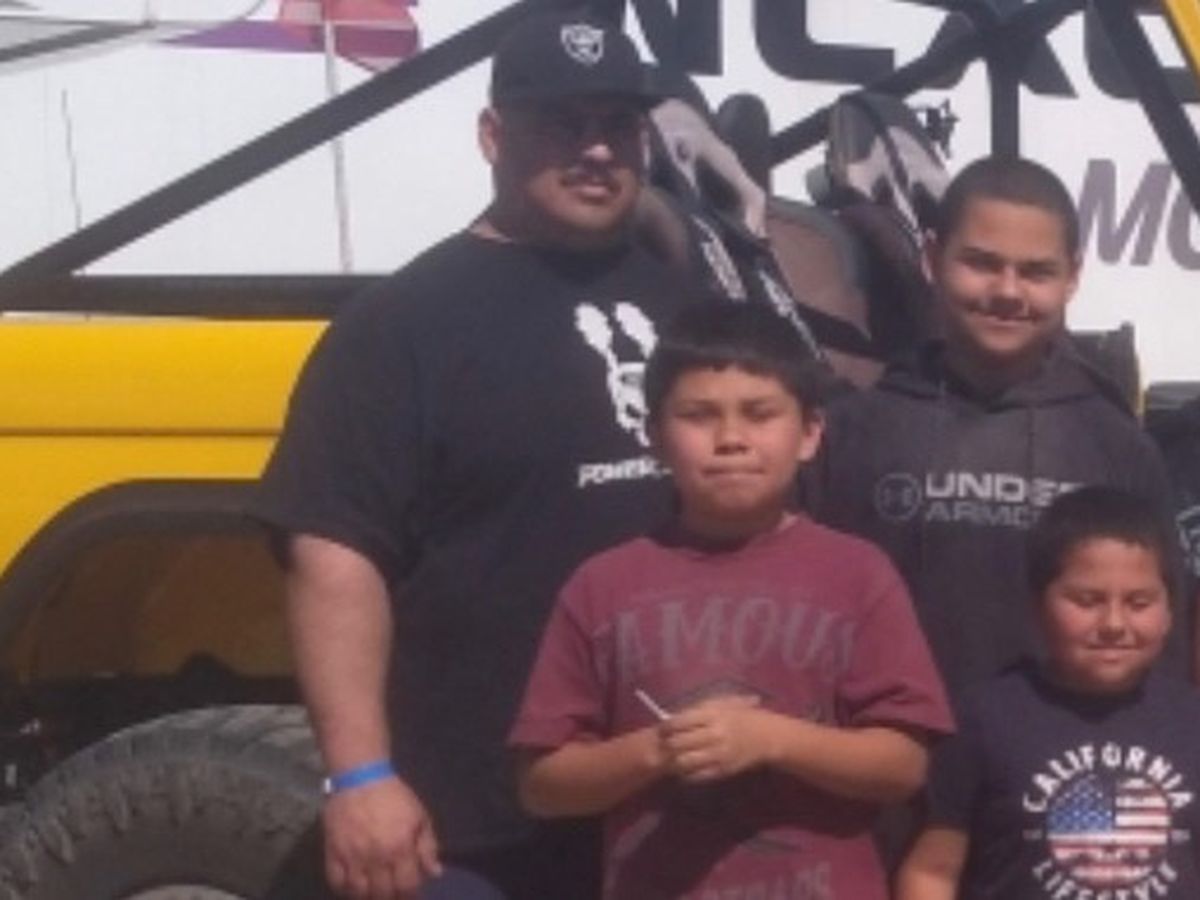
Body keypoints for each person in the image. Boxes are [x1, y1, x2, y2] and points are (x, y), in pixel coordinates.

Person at [257, 12, 705, 900]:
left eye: (618, 126)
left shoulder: (689, 308)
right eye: (562, 124)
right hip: (472, 824)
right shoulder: (400, 325)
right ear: (493, 135)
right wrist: (360, 776)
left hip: (672, 810)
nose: (597, 150)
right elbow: (335, 553)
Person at [508, 303, 954, 900]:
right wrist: (656, 750)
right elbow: (541, 784)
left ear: (810, 434)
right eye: (698, 416)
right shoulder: (601, 585)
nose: (731, 440)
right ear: (654, 437)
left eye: (760, 414)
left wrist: (770, 739)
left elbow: (904, 765)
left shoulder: (858, 573)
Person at [810, 155, 1175, 696]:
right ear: (932, 258)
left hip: (1062, 749)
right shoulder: (850, 432)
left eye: (1036, 271)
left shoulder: (1119, 447)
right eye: (982, 263)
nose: (1007, 291)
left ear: (1073, 276)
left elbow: (1163, 650)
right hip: (881, 745)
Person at [896, 485, 1200, 900]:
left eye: (1139, 602)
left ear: (1169, 612)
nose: (1114, 623)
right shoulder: (985, 719)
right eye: (1087, 601)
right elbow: (933, 871)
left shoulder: (1191, 721)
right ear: (1038, 605)